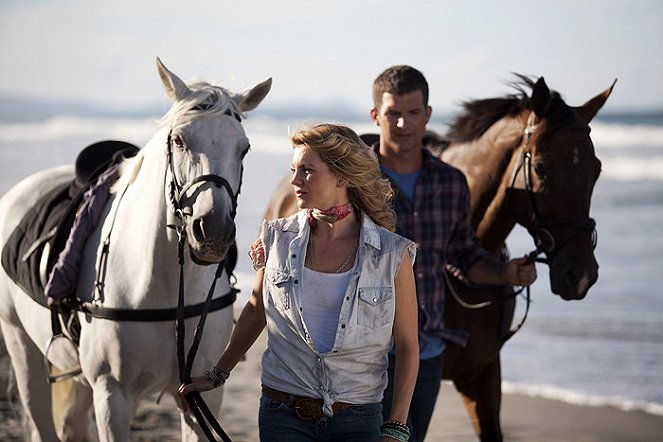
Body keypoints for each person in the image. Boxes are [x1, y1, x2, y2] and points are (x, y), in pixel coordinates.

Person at [179, 123, 420, 442]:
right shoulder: (275, 238)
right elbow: (255, 311)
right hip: (283, 414)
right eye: (293, 169)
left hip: (357, 419)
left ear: (342, 177)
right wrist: (218, 374)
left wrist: (397, 426)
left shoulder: (392, 254)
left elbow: (407, 346)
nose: (294, 181)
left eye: (307, 170)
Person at [369, 65, 537, 441]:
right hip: (365, 354)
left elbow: (462, 255)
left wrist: (506, 273)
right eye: (393, 113)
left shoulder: (450, 183)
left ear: (427, 115)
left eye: (413, 113)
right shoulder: (353, 181)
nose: (402, 124)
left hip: (426, 351)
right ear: (376, 116)